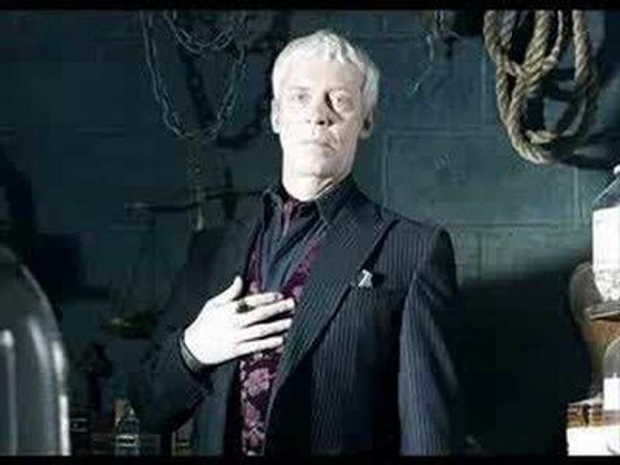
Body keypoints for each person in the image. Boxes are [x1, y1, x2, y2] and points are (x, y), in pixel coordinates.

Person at [128, 29, 466, 456]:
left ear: (366, 121)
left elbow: (429, 436)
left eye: (339, 100)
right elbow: (149, 407)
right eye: (301, 97)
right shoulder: (211, 250)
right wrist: (193, 349)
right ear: (276, 116)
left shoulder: (414, 251)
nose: (318, 115)